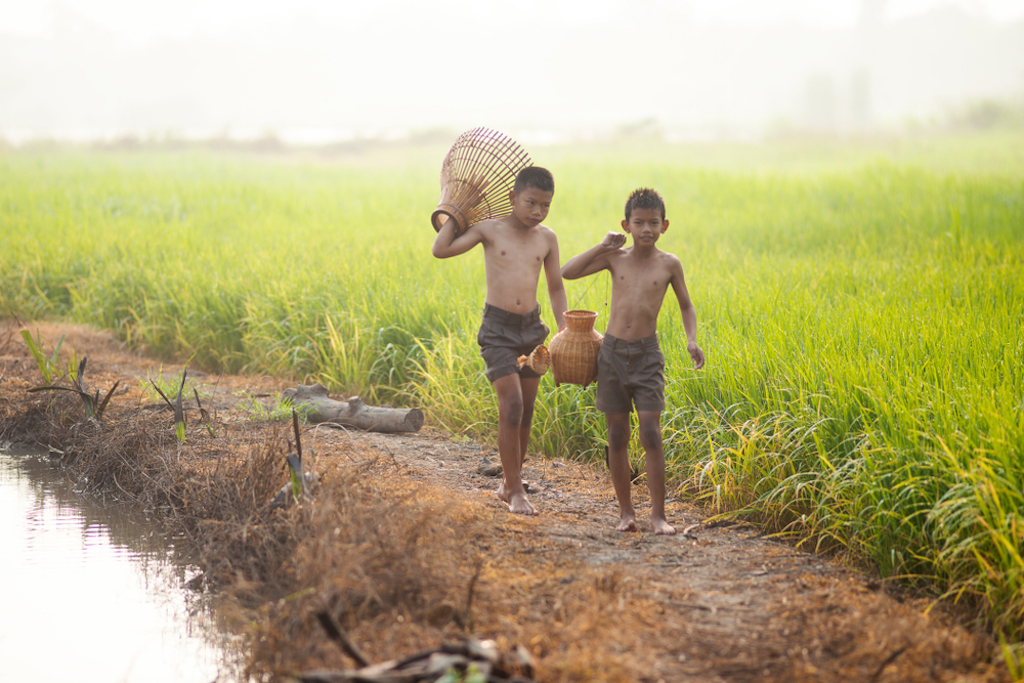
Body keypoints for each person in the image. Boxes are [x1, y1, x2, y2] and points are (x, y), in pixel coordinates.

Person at [561, 187, 705, 534]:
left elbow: (686, 304)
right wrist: (603, 245)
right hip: (611, 354)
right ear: (626, 224)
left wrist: (691, 340)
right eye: (638, 222)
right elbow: (568, 271)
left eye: (653, 222)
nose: (646, 229)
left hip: (647, 355)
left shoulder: (670, 264)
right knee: (617, 434)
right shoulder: (616, 258)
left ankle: (659, 515)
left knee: (651, 433)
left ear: (664, 225)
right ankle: (626, 513)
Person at [432, 166, 567, 515]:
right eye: (531, 202)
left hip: (532, 328)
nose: (537, 211)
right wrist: (456, 211)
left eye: (545, 205)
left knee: (527, 411)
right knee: (512, 406)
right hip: (498, 330)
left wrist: (564, 330)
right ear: (512, 198)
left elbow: (554, 286)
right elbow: (440, 249)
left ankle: (509, 483)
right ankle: (517, 491)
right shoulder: (488, 230)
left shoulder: (547, 238)